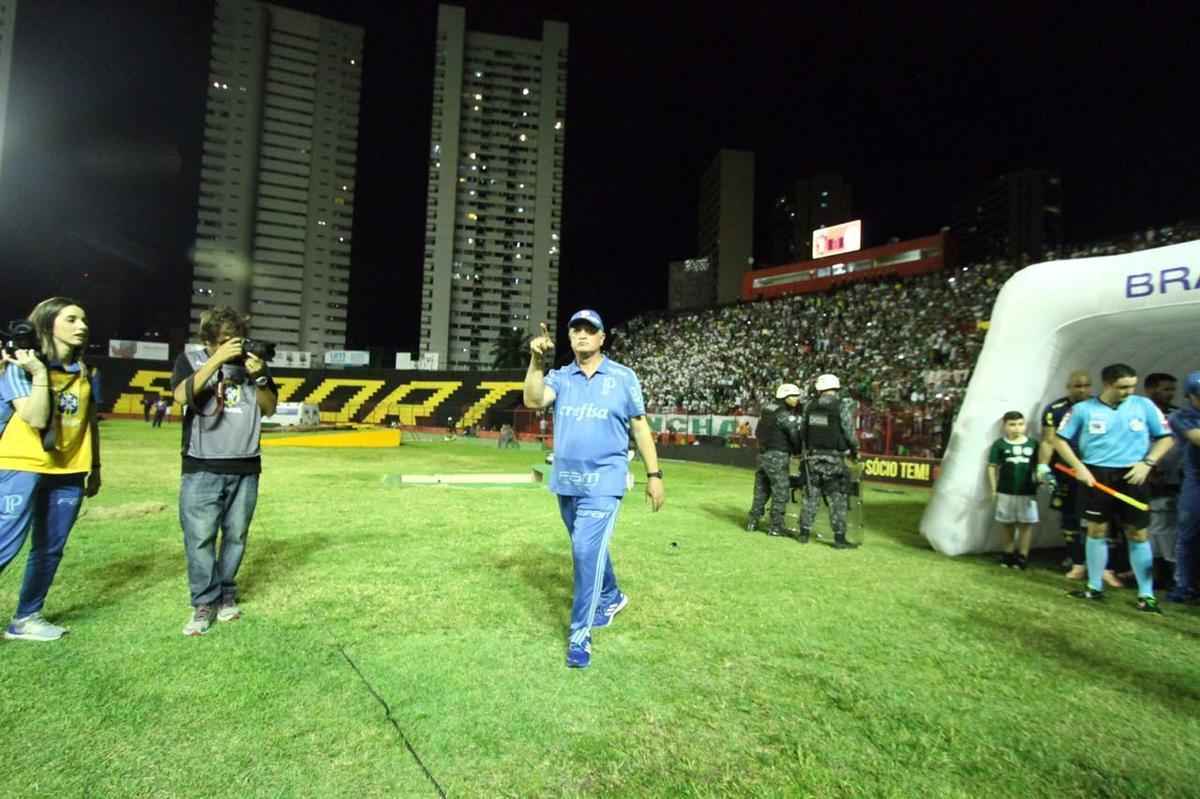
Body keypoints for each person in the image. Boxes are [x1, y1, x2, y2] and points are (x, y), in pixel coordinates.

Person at [523, 310, 664, 669]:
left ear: (602, 338)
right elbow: (533, 400)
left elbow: (640, 426)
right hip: (567, 481)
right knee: (587, 547)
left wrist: (654, 474)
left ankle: (579, 637)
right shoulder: (561, 377)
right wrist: (536, 360)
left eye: (590, 330)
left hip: (606, 479)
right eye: (576, 330)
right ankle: (612, 595)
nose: (582, 335)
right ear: (570, 339)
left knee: (585, 552)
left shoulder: (622, 377)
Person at [171, 307, 277, 636]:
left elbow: (269, 408)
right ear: (208, 340)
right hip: (202, 464)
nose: (232, 347)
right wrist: (216, 361)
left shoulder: (252, 363)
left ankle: (226, 592)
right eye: (223, 341)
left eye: (236, 340)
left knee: (236, 536)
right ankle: (203, 601)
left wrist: (260, 376)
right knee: (200, 538)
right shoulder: (191, 360)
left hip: (246, 464)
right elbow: (180, 397)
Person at [0, 297, 102, 641]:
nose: (82, 326)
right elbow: (36, 417)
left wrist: (96, 465)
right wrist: (40, 373)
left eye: (84, 319)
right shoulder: (19, 366)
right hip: (21, 466)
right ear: (48, 324)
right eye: (71, 319)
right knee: (4, 545)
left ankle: (26, 618)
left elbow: (89, 420)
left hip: (69, 471)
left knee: (49, 549)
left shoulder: (83, 370)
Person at [1052, 363, 1174, 612]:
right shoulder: (1082, 410)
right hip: (1096, 476)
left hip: (1133, 475)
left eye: (1132, 385)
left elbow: (1166, 438)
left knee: (1138, 533)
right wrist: (1080, 468)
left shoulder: (1144, 406)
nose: (1129, 391)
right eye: (1123, 387)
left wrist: (1147, 463)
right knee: (1096, 530)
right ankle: (1094, 588)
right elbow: (1059, 440)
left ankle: (1147, 595)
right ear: (1107, 384)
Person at [1036, 370, 1099, 581]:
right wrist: (1043, 466)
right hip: (1066, 471)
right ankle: (1076, 560)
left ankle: (1102, 565)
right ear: (1068, 386)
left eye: (1086, 385)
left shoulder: (1099, 406)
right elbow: (1048, 440)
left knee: (1099, 517)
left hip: (1096, 469)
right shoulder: (1054, 409)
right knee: (1069, 515)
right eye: (1077, 386)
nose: (1082, 390)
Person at [798, 374, 860, 549]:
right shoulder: (841, 405)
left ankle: (803, 533)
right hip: (833, 459)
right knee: (837, 497)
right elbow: (849, 431)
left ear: (819, 388)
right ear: (836, 388)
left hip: (812, 457)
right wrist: (855, 449)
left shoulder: (810, 406)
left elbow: (803, 431)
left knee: (811, 495)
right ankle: (839, 538)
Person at [746, 383, 803, 537]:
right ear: (785, 397)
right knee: (781, 491)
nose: (797, 399)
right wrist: (798, 451)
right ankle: (776, 527)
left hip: (762, 455)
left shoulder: (767, 410)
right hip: (778, 456)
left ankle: (752, 522)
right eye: (794, 396)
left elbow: (758, 431)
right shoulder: (784, 414)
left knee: (761, 491)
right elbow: (794, 435)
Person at [1143, 373, 1182, 584]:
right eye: (1165, 389)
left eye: (1172, 389)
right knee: (1151, 526)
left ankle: (1168, 572)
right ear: (1150, 389)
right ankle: (1157, 572)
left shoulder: (1178, 415)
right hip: (1143, 476)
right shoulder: (1138, 413)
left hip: (1173, 479)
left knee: (1167, 526)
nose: (1170, 394)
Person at [989, 411, 1039, 569]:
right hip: (1006, 491)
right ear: (1004, 426)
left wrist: (1040, 479)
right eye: (1012, 424)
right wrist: (993, 488)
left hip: (1027, 491)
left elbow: (1040, 467)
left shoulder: (1033, 444)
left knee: (1026, 525)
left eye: (1020, 424)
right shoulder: (999, 444)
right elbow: (992, 467)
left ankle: (1023, 556)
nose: (1016, 428)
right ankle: (1008, 554)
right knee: (1007, 523)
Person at [1166, 372, 1200, 603]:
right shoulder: (1182, 417)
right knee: (1188, 535)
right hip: (1196, 483)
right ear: (1190, 396)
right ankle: (1184, 586)